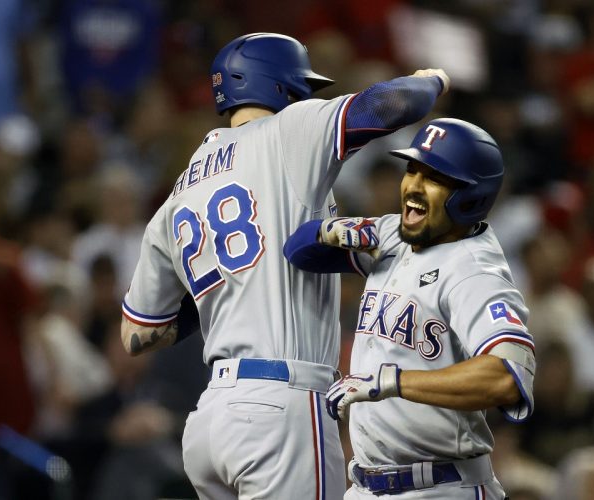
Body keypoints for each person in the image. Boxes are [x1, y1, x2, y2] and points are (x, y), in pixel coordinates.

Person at [120, 32, 449, 500]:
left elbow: (136, 335)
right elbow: (393, 103)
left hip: (211, 418)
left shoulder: (177, 195)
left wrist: (216, 293)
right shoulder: (288, 131)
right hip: (281, 406)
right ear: (280, 86)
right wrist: (432, 79)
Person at [284, 118, 536, 498]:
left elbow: (506, 377)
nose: (413, 186)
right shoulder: (396, 235)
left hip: (441, 486)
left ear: (471, 196)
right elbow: (298, 251)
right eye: (412, 169)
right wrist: (329, 232)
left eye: (434, 177)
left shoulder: (474, 271)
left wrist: (392, 382)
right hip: (366, 486)